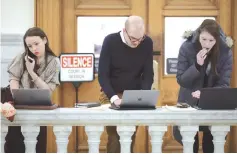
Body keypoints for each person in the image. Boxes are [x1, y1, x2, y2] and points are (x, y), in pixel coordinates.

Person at [173, 19, 233, 153]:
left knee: (211, 143)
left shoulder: (225, 51)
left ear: (217, 39)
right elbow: (182, 80)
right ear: (198, 34)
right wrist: (197, 65)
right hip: (189, 101)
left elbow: (224, 83)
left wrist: (206, 95)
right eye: (203, 39)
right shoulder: (187, 47)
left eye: (211, 40)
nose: (206, 44)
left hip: (212, 102)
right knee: (190, 143)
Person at [98, 15, 154, 153]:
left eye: (140, 39)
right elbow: (103, 75)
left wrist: (144, 95)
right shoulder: (110, 41)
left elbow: (148, 74)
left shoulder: (146, 43)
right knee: (115, 137)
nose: (137, 43)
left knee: (130, 134)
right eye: (133, 39)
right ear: (125, 31)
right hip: (111, 92)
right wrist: (114, 98)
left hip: (133, 94)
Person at [5, 27, 60, 153]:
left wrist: (31, 72)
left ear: (45, 40)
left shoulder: (54, 62)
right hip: (18, 109)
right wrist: (16, 95)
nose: (34, 49)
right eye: (29, 46)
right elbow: (14, 78)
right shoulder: (22, 58)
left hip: (40, 109)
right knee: (15, 145)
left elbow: (48, 91)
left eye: (36, 44)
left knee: (38, 146)